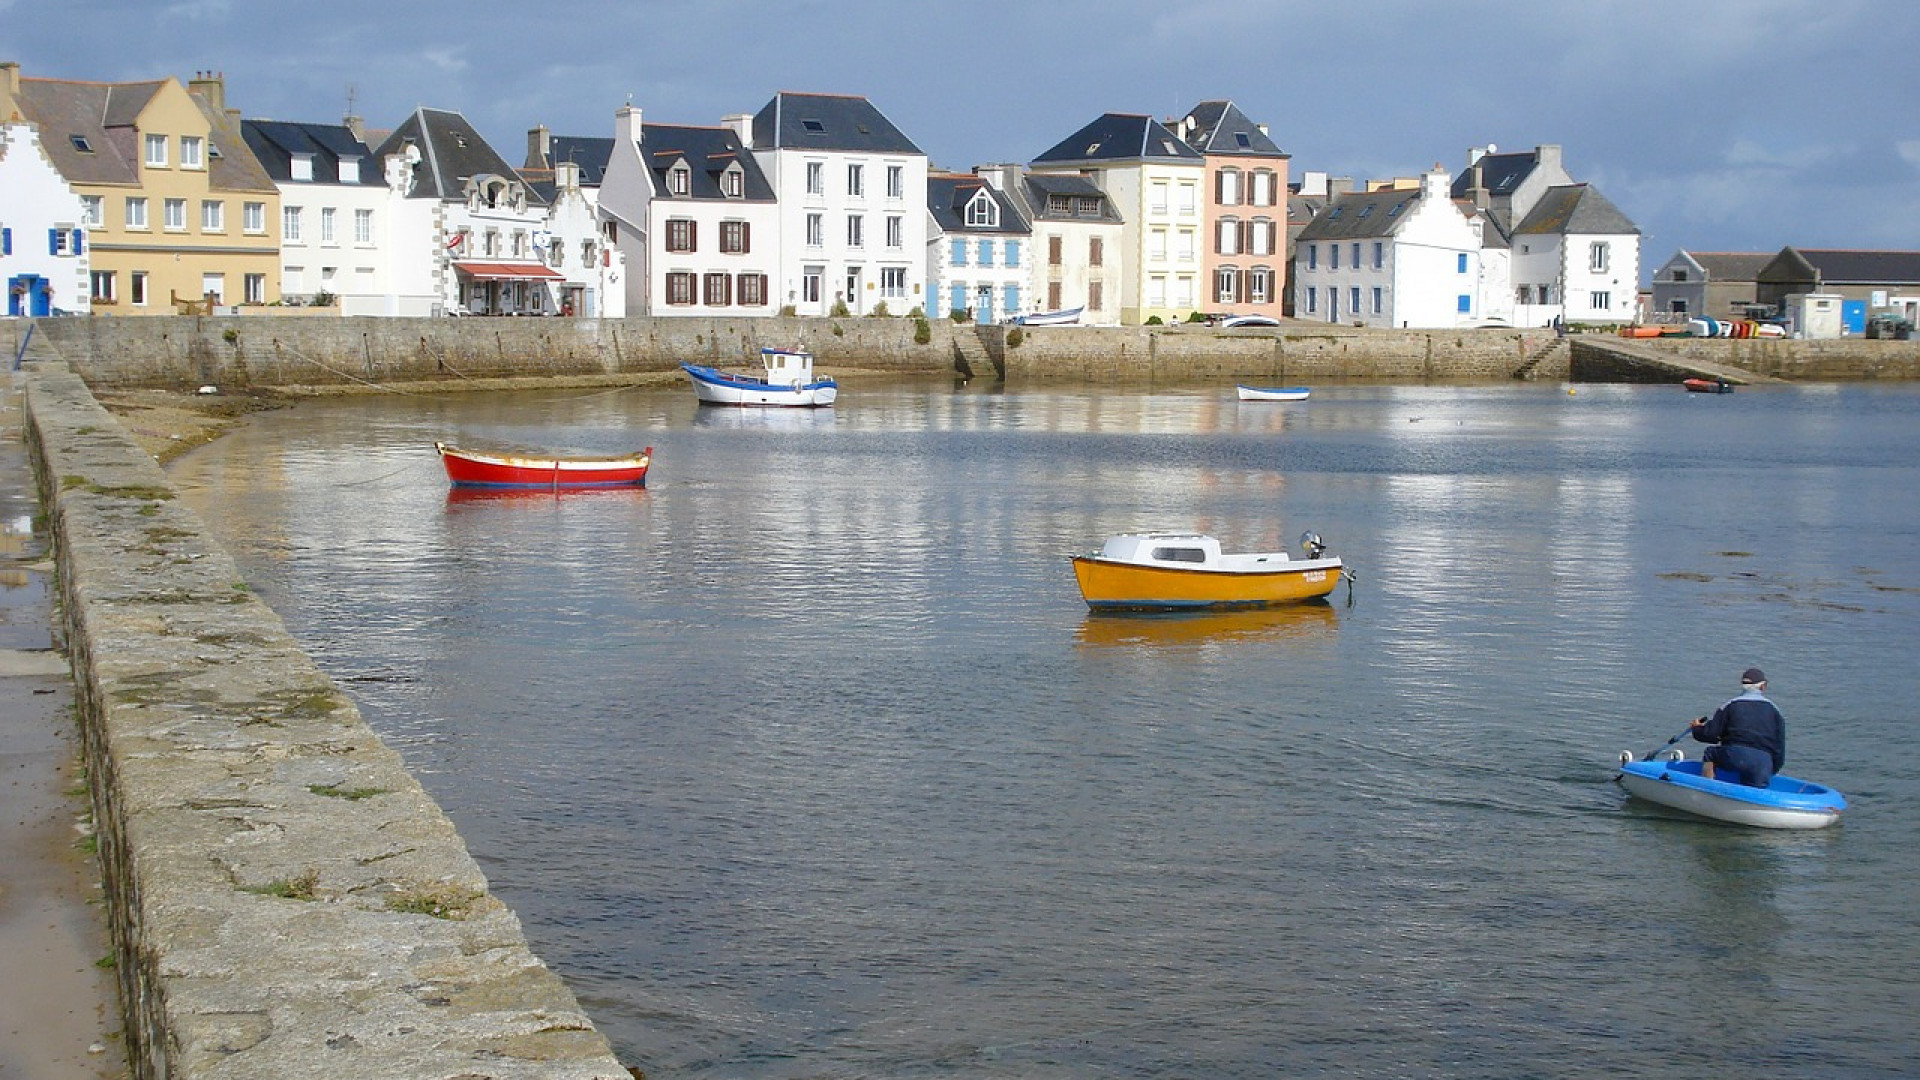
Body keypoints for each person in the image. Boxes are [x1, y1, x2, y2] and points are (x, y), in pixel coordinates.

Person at [1690, 667, 1786, 787]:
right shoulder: (1775, 711)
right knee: (1756, 786)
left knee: (1710, 753)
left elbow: (1710, 734)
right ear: (1763, 686)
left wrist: (1697, 729)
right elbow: (1780, 747)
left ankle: (1707, 788)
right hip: (1763, 762)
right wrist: (1772, 768)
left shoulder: (1730, 705)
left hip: (1734, 755)